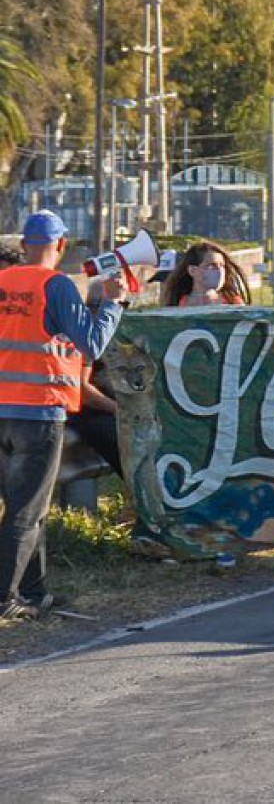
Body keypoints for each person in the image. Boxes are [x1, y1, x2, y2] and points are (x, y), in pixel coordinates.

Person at [0, 212, 127, 623]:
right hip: (38, 411)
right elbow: (90, 345)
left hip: (3, 409)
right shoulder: (55, 286)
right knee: (27, 511)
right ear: (62, 245)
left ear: (23, 245)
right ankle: (5, 599)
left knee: (22, 506)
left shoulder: (3, 283)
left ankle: (34, 592)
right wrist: (113, 303)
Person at [163, 242, 252, 307]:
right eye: (212, 265)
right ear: (192, 271)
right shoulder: (178, 304)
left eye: (222, 266)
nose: (219, 271)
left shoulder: (233, 303)